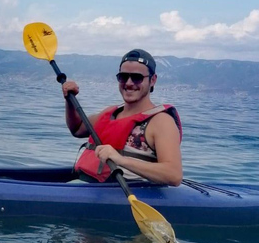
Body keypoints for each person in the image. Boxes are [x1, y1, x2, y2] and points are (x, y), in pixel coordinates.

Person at [62, 49, 182, 186]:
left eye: (137, 78)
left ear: (152, 80)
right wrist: (69, 100)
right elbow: (77, 129)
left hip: (125, 193)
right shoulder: (111, 112)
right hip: (87, 186)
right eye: (123, 77)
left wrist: (120, 160)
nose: (129, 83)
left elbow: (174, 175)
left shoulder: (161, 121)